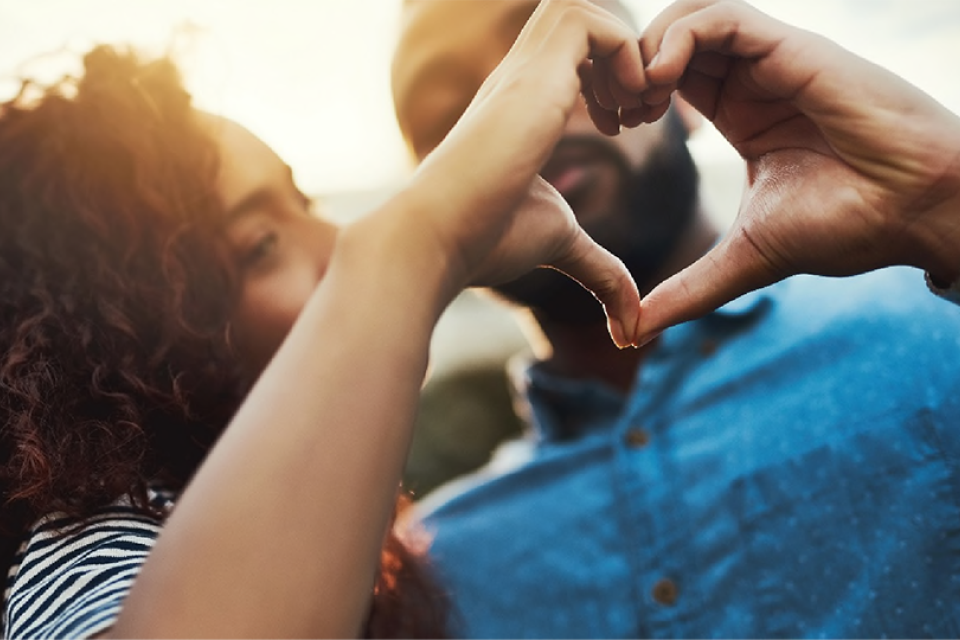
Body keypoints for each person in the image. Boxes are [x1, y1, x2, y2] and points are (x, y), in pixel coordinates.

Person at [0, 1, 649, 637]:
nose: (344, 242)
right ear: (129, 336)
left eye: (302, 202)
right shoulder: (96, 553)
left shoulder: (360, 554)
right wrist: (418, 243)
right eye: (260, 245)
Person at [391, 0, 960, 637]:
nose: (527, 125)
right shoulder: (427, 578)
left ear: (683, 91)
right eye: (454, 119)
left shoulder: (938, 324)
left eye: (568, 65)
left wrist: (948, 204)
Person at [628, 0, 960, 342]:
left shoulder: (918, 322)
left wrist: (944, 205)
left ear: (681, 103)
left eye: (588, 72)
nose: (567, 108)